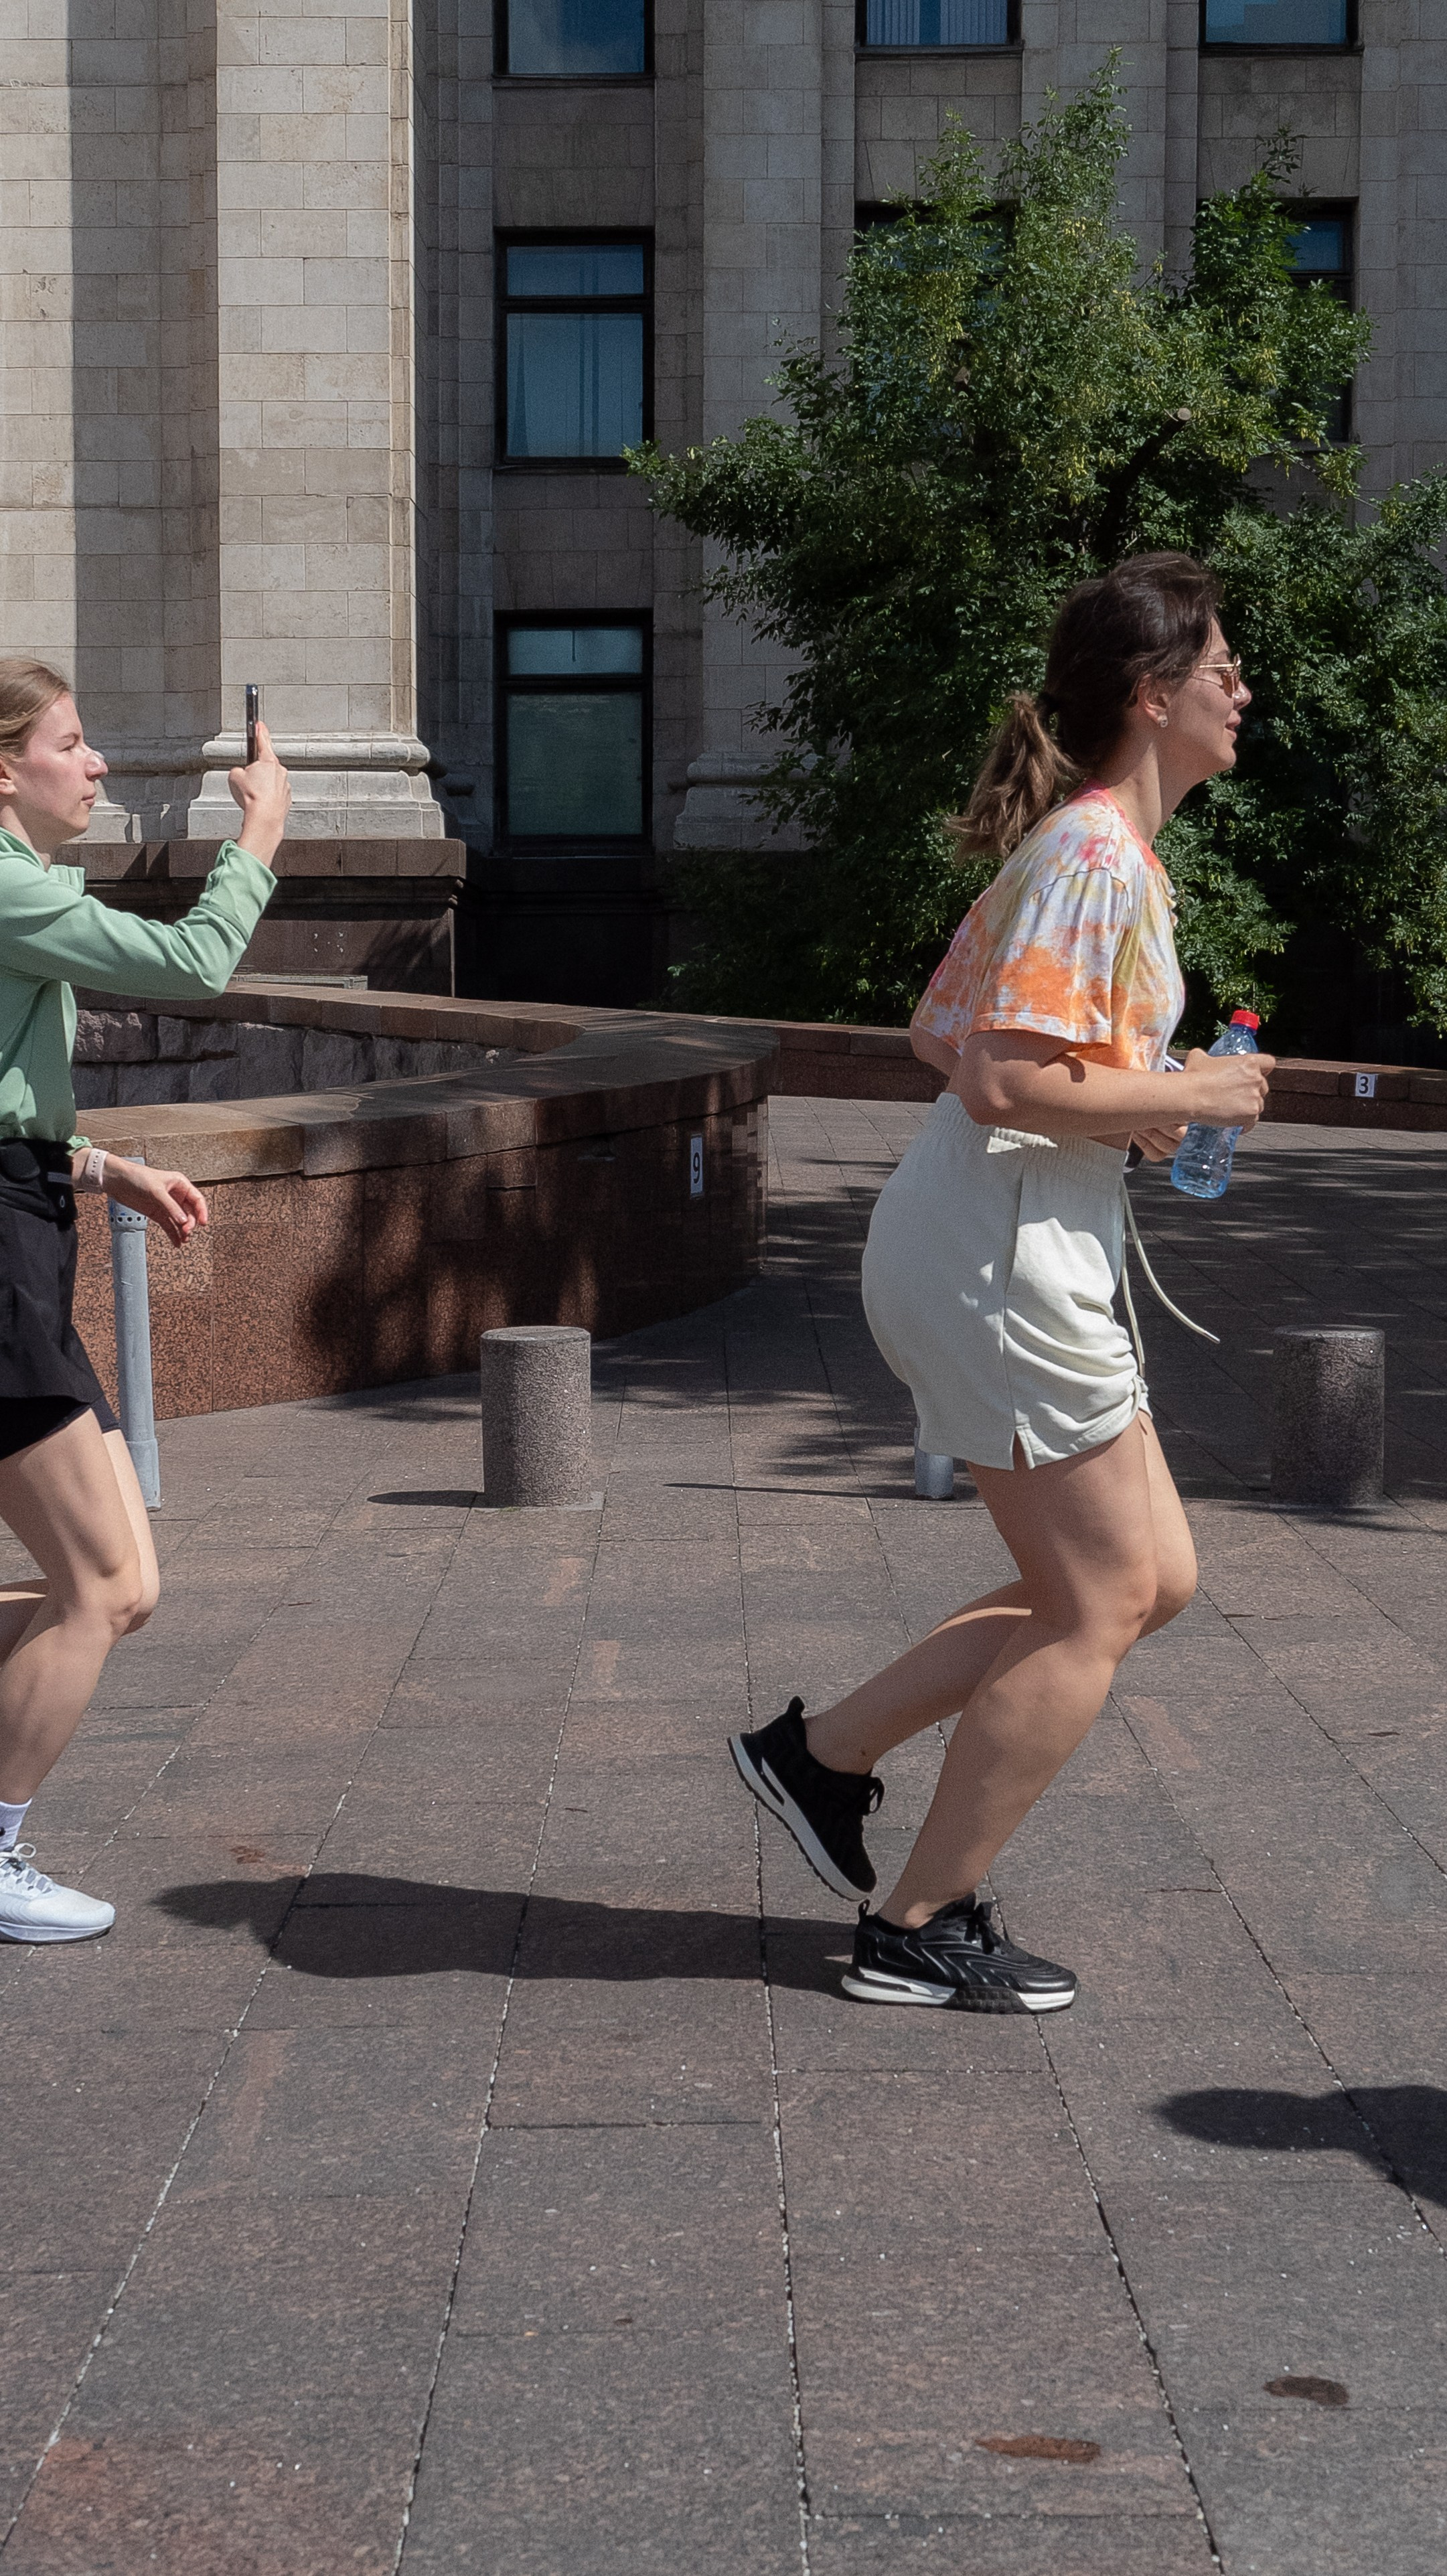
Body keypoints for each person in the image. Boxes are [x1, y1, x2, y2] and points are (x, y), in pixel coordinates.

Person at [731, 554, 1271, 2012]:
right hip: (1002, 1262)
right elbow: (1000, 1078)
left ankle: (818, 1753)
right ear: (1154, 697)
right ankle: (916, 1919)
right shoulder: (1095, 856)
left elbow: (940, 1037)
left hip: (1002, 1247)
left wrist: (1139, 1093)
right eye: (1220, 666)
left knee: (1148, 1578)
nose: (1243, 687)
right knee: (1097, 1600)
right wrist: (1196, 1094)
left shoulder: (1088, 853)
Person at [0, 661, 291, 1941]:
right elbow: (192, 963)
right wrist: (262, 834)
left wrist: (106, 1163)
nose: (98, 763)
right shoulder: (2, 886)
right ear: (5, 769)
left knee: (125, 1584)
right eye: (75, 741)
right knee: (100, 1586)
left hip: (26, 1227)